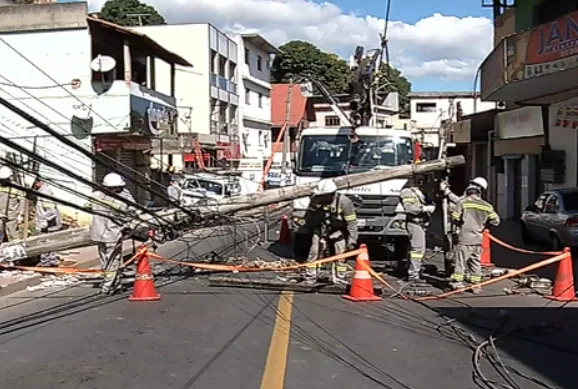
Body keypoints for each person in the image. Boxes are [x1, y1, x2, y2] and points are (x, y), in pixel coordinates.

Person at [298, 179, 358, 285]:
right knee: (314, 251)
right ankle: (310, 277)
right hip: (321, 228)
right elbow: (309, 217)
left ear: (331, 194)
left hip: (337, 230)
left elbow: (351, 223)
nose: (320, 198)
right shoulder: (315, 200)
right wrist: (307, 232)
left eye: (323, 195)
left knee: (341, 252)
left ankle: (340, 278)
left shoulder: (344, 202)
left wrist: (352, 240)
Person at [88, 172, 136, 294]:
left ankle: (116, 283)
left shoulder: (95, 196)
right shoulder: (119, 201)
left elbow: (89, 205)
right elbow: (131, 210)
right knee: (113, 261)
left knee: (105, 261)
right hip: (112, 234)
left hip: (98, 234)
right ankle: (107, 286)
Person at [450, 179, 500, 293]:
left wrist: (460, 224)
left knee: (460, 261)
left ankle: (458, 284)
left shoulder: (463, 202)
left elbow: (455, 217)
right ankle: (476, 286)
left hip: (465, 238)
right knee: (475, 262)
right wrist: (484, 226)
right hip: (478, 238)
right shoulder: (487, 206)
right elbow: (496, 221)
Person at [400, 176, 436, 282]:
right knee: (418, 249)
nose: (421, 181)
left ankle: (412, 269)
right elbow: (409, 208)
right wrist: (425, 209)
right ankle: (413, 274)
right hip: (414, 222)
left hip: (421, 223)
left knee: (417, 248)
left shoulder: (419, 191)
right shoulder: (407, 192)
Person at [33, 178, 62, 266]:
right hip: (47, 223)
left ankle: (48, 261)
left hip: (49, 224)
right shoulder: (42, 191)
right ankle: (48, 261)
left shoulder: (45, 193)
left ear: (38, 182)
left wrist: (45, 219)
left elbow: (51, 210)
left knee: (46, 241)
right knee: (48, 241)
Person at [0, 166, 23, 242]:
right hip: (0, 216)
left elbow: (22, 201)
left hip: (12, 216)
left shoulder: (16, 187)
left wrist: (20, 214)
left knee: (14, 236)